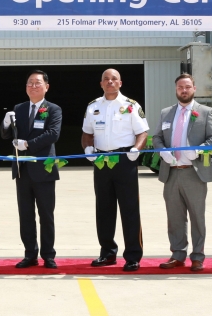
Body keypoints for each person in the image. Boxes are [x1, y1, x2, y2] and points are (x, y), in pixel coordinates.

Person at [81, 68, 149, 272]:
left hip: (125, 160)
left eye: (114, 79)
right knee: (104, 209)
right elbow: (86, 133)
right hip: (102, 161)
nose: (110, 82)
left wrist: (136, 149)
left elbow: (143, 132)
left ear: (120, 83)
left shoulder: (131, 106)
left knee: (129, 209)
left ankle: (133, 256)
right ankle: (107, 252)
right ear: (101, 84)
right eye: (106, 80)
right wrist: (88, 149)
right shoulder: (93, 106)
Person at [152, 73, 212, 272]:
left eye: (187, 87)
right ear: (176, 90)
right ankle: (177, 254)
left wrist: (198, 150)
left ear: (194, 89)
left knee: (197, 216)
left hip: (194, 173)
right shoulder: (166, 113)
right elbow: (156, 137)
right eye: (180, 87)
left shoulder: (205, 112)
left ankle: (197, 256)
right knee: (175, 217)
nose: (184, 90)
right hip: (171, 172)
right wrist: (162, 151)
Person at [0, 70, 62, 269]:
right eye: (29, 83)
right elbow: (5, 135)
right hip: (22, 170)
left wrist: (28, 145)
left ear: (46, 87)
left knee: (46, 214)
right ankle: (30, 254)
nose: (33, 86)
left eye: (37, 83)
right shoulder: (18, 108)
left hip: (44, 170)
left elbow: (53, 134)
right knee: (26, 215)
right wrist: (6, 123)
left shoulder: (53, 109)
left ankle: (48, 255)